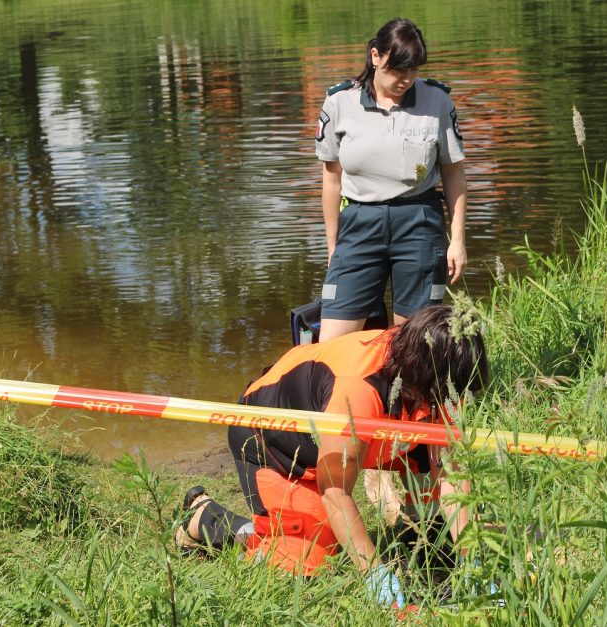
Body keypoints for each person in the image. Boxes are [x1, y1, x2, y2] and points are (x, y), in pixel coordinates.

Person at [176, 305, 488, 608]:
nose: (453, 402)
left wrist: (471, 557)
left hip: (372, 438)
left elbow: (451, 473)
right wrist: (374, 573)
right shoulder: (357, 388)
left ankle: (419, 528)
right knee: (304, 564)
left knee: (439, 534)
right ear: (421, 374)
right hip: (277, 444)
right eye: (446, 395)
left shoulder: (442, 379)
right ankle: (207, 519)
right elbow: (336, 491)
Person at [314, 17, 468, 342]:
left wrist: (458, 241)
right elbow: (331, 180)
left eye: (413, 70)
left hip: (419, 224)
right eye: (398, 69)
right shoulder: (339, 102)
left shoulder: (437, 100)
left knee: (412, 341)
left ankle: (407, 394)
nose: (407, 79)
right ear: (375, 57)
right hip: (358, 225)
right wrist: (332, 248)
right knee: (331, 344)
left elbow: (453, 173)